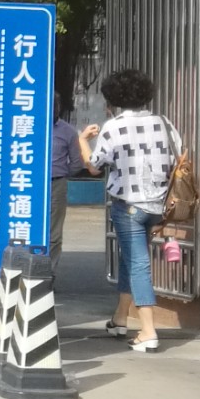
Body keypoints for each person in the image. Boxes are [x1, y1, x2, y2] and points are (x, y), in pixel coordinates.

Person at [78, 69, 180, 353]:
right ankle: (120, 318)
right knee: (130, 259)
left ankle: (148, 331)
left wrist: (82, 140)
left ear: (114, 97)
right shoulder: (164, 123)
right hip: (158, 205)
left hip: (129, 206)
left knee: (137, 263)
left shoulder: (114, 126)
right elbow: (178, 158)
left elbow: (94, 167)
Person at [48, 94, 82, 270]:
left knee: (54, 233)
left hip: (56, 185)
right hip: (28, 185)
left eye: (55, 105)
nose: (53, 108)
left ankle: (49, 274)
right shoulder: (27, 127)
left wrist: (60, 174)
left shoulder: (68, 131)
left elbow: (77, 163)